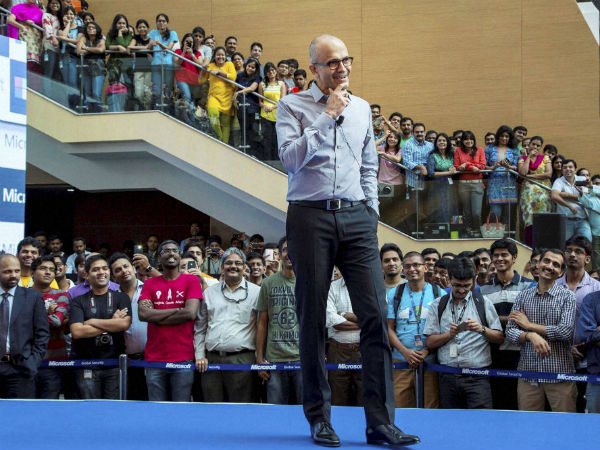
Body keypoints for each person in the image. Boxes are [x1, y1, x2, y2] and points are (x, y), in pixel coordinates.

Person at [276, 34, 418, 447]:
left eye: (346, 60)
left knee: (375, 315)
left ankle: (380, 423)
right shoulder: (291, 105)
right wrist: (326, 117)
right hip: (309, 216)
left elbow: (369, 164)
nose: (342, 68)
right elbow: (290, 160)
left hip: (357, 216)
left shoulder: (361, 109)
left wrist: (371, 209)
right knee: (312, 318)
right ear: (314, 70)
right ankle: (319, 419)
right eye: (332, 62)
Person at [424, 257, 504, 409]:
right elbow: (430, 342)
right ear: (449, 279)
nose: (462, 290)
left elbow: (499, 338)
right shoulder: (438, 304)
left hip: (478, 377)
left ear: (474, 280)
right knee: (450, 421)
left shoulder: (483, 302)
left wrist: (481, 329)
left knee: (481, 419)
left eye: (466, 286)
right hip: (447, 376)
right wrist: (449, 335)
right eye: (457, 286)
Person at [506, 249, 577, 412]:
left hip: (560, 374)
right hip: (528, 374)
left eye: (556, 265)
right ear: (537, 264)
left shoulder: (568, 297)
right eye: (546, 261)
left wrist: (529, 325)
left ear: (561, 272)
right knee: (528, 424)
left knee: (564, 423)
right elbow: (510, 331)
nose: (550, 266)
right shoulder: (523, 296)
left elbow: (565, 332)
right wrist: (530, 336)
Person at [138, 240, 202, 402]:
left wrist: (157, 317)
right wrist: (177, 310)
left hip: (183, 357)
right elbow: (143, 314)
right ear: (159, 258)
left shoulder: (192, 281)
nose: (171, 253)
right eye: (166, 251)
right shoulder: (149, 283)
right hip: (154, 359)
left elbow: (190, 313)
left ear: (179, 256)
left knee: (180, 409)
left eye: (175, 250)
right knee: (156, 409)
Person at [194, 248, 260, 402]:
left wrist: (260, 359)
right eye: (229, 263)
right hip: (211, 361)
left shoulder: (257, 292)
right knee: (213, 408)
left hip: (242, 360)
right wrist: (200, 356)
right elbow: (200, 328)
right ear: (222, 267)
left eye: (238, 263)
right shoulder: (209, 293)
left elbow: (261, 328)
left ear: (244, 267)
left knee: (241, 409)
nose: (233, 266)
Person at [479, 239, 532, 410]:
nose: (500, 259)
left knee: (520, 404)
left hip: (521, 353)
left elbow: (527, 320)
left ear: (514, 257)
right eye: (496, 255)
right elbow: (482, 321)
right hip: (492, 354)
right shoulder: (483, 290)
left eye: (504, 255)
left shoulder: (529, 286)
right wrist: (509, 318)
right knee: (497, 403)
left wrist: (496, 319)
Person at [69, 254, 131, 399]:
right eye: (96, 269)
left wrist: (91, 321)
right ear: (86, 275)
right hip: (86, 364)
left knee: (114, 409)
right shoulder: (78, 301)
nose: (101, 272)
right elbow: (77, 332)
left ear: (109, 272)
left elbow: (124, 324)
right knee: (90, 409)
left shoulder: (122, 297)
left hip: (115, 364)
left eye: (104, 268)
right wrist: (112, 322)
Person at [387, 252, 443, 409]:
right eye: (407, 266)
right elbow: (388, 328)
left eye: (416, 265)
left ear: (425, 267)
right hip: (401, 360)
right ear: (403, 270)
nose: (412, 269)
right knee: (401, 409)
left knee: (430, 408)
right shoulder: (395, 293)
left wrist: (426, 351)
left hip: (430, 361)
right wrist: (405, 352)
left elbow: (444, 331)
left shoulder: (439, 293)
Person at [556, 235, 600, 411]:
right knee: (563, 414)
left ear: (587, 259)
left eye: (578, 251)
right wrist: (568, 348)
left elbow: (592, 331)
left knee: (586, 412)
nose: (572, 255)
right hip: (559, 359)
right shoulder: (553, 287)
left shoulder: (597, 289)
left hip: (588, 361)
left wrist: (585, 344)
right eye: (569, 251)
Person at [255, 237, 302, 404]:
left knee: (304, 410)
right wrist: (260, 358)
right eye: (286, 249)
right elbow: (262, 322)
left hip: (301, 359)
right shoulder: (268, 283)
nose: (290, 253)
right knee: (275, 410)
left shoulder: (308, 282)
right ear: (280, 254)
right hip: (274, 359)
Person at [0, 254, 49, 399]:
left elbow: (42, 333)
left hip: (21, 369)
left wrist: (33, 362)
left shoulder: (33, 297)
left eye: (17, 271)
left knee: (20, 412)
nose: (14, 275)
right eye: (8, 271)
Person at [108, 253, 148, 400]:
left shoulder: (149, 289)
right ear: (113, 277)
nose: (123, 271)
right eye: (118, 270)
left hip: (150, 360)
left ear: (133, 268)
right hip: (123, 362)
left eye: (126, 266)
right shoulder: (111, 298)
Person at [30, 256, 69, 399]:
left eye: (52, 270)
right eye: (43, 268)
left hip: (54, 362)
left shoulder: (62, 295)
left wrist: (30, 317)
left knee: (49, 406)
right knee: (25, 405)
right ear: (32, 272)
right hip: (27, 361)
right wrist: (46, 313)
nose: (48, 272)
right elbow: (17, 323)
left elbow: (56, 321)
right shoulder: (22, 294)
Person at [326, 268, 363, 407]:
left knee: (365, 401)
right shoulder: (331, 288)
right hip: (338, 351)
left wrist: (344, 314)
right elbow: (332, 320)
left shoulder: (370, 285)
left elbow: (376, 318)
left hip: (365, 350)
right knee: (338, 400)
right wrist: (364, 323)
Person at [517, 136, 552, 246]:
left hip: (543, 196)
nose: (535, 147)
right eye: (533, 144)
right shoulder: (522, 158)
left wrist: (530, 177)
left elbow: (548, 174)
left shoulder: (545, 158)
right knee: (529, 220)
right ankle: (530, 246)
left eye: (538, 145)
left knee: (543, 219)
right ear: (529, 145)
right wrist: (529, 157)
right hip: (528, 196)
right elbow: (523, 173)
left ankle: (543, 246)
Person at [485, 126, 520, 230]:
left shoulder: (514, 149)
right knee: (495, 215)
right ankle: (495, 236)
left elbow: (517, 167)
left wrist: (508, 167)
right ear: (498, 136)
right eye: (502, 136)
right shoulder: (490, 148)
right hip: (494, 185)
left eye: (507, 136)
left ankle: (506, 238)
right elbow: (484, 166)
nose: (504, 138)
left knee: (508, 217)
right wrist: (493, 167)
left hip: (509, 185)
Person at [199, 46, 237, 143]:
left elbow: (233, 77)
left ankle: (224, 144)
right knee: (213, 115)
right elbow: (201, 81)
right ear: (214, 56)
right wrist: (203, 69)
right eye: (218, 55)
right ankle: (219, 137)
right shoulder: (211, 66)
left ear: (225, 56)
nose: (220, 57)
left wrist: (219, 72)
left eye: (222, 55)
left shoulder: (229, 64)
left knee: (226, 124)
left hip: (227, 98)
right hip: (214, 97)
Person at [551, 159, 592, 241]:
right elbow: (554, 196)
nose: (568, 169)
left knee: (586, 244)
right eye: (565, 167)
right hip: (566, 221)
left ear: (575, 169)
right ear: (562, 170)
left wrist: (566, 195)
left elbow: (586, 197)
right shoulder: (559, 181)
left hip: (582, 220)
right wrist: (569, 206)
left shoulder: (582, 179)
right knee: (566, 245)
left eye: (570, 167)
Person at [454, 130, 486, 237]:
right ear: (462, 141)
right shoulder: (458, 150)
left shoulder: (480, 150)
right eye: (466, 139)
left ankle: (477, 231)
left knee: (476, 212)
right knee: (466, 212)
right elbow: (457, 166)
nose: (469, 141)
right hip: (463, 184)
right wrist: (472, 166)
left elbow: (482, 165)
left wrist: (466, 165)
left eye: (471, 139)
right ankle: (468, 231)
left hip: (477, 184)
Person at [576, 291, 600, 413]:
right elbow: (586, 334)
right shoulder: (591, 300)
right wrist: (594, 335)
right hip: (597, 377)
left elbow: (595, 336)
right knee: (594, 423)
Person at [148, 13, 178, 108]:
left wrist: (159, 44)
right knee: (157, 89)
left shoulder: (173, 33)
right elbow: (149, 47)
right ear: (156, 23)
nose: (161, 23)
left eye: (163, 21)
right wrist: (151, 44)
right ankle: (158, 109)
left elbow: (169, 48)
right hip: (156, 64)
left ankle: (167, 109)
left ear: (167, 23)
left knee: (167, 89)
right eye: (159, 21)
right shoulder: (153, 32)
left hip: (168, 65)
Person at [426, 132, 457, 224]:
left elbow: (456, 166)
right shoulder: (432, 155)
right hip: (437, 185)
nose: (442, 142)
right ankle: (442, 228)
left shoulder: (451, 155)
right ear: (436, 143)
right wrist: (448, 172)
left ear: (447, 143)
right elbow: (431, 173)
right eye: (439, 141)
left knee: (451, 207)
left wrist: (454, 168)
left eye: (444, 140)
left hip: (449, 185)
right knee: (440, 208)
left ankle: (452, 229)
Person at [258, 62, 286, 162]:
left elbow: (282, 100)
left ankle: (277, 162)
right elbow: (260, 102)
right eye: (268, 71)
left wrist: (273, 107)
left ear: (276, 71)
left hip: (278, 115)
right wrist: (265, 106)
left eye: (272, 70)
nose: (271, 72)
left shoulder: (281, 84)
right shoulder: (262, 84)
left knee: (277, 139)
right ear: (265, 73)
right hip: (265, 115)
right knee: (267, 139)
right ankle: (267, 161)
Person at [233, 58, 261, 156]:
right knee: (242, 130)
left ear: (256, 69)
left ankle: (251, 154)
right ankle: (243, 153)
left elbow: (252, 88)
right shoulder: (240, 75)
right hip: (241, 106)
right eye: (249, 66)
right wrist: (234, 99)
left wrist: (238, 93)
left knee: (252, 131)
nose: (250, 68)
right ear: (245, 66)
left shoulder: (258, 77)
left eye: (253, 67)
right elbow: (236, 87)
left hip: (252, 108)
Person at [7, 0, 44, 75]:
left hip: (36, 40)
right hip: (23, 36)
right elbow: (10, 20)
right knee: (22, 60)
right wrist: (22, 25)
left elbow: (43, 27)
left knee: (33, 63)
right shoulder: (18, 7)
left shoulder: (40, 11)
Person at [76, 21, 105, 112]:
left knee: (96, 94)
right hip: (85, 68)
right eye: (89, 27)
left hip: (98, 69)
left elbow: (100, 50)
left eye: (93, 27)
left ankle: (98, 113)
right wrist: (93, 50)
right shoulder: (83, 38)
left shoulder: (101, 39)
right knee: (88, 93)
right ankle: (90, 113)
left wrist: (86, 48)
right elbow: (79, 51)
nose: (90, 29)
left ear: (97, 29)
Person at [128, 18, 153, 110]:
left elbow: (151, 51)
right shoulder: (136, 38)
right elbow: (130, 47)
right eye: (140, 27)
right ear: (137, 29)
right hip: (138, 69)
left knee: (148, 93)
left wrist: (138, 48)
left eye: (144, 27)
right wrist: (145, 48)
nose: (142, 29)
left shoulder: (151, 39)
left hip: (149, 69)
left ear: (147, 28)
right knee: (138, 93)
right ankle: (142, 107)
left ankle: (146, 110)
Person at [41, 0, 62, 86]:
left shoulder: (61, 18)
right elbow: (47, 28)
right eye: (53, 3)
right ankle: (46, 93)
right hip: (49, 47)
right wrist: (53, 38)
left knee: (56, 76)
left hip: (60, 50)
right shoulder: (46, 15)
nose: (55, 5)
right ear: (49, 5)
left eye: (57, 3)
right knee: (48, 73)